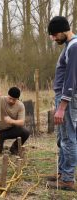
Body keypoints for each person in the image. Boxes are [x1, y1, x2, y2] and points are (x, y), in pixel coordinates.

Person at [47, 16, 77, 191]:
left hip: (68, 100)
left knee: (68, 139)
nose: (53, 38)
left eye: (55, 34)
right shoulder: (69, 46)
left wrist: (62, 106)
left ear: (63, 30)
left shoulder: (74, 47)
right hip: (62, 98)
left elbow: (71, 79)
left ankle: (68, 180)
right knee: (62, 138)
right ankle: (62, 172)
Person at [0, 87, 30, 155]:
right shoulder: (0, 99)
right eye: (10, 98)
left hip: (11, 130)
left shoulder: (20, 105)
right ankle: (0, 144)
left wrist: (11, 121)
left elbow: (21, 122)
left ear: (17, 99)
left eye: (14, 99)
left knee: (25, 132)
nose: (11, 101)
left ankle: (14, 148)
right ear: (7, 95)